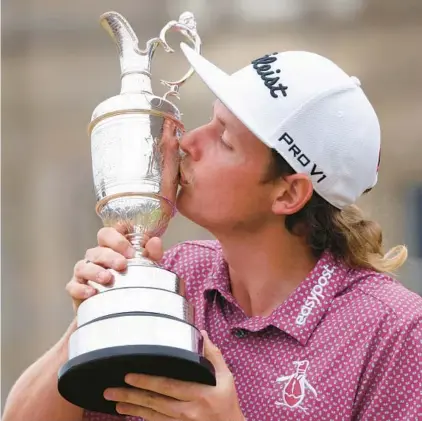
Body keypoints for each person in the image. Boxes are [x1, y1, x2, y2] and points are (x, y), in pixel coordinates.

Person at [3, 43, 422, 421]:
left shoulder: (394, 331)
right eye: (211, 120)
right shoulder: (178, 272)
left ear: (288, 192)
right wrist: (95, 318)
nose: (188, 142)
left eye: (223, 138)